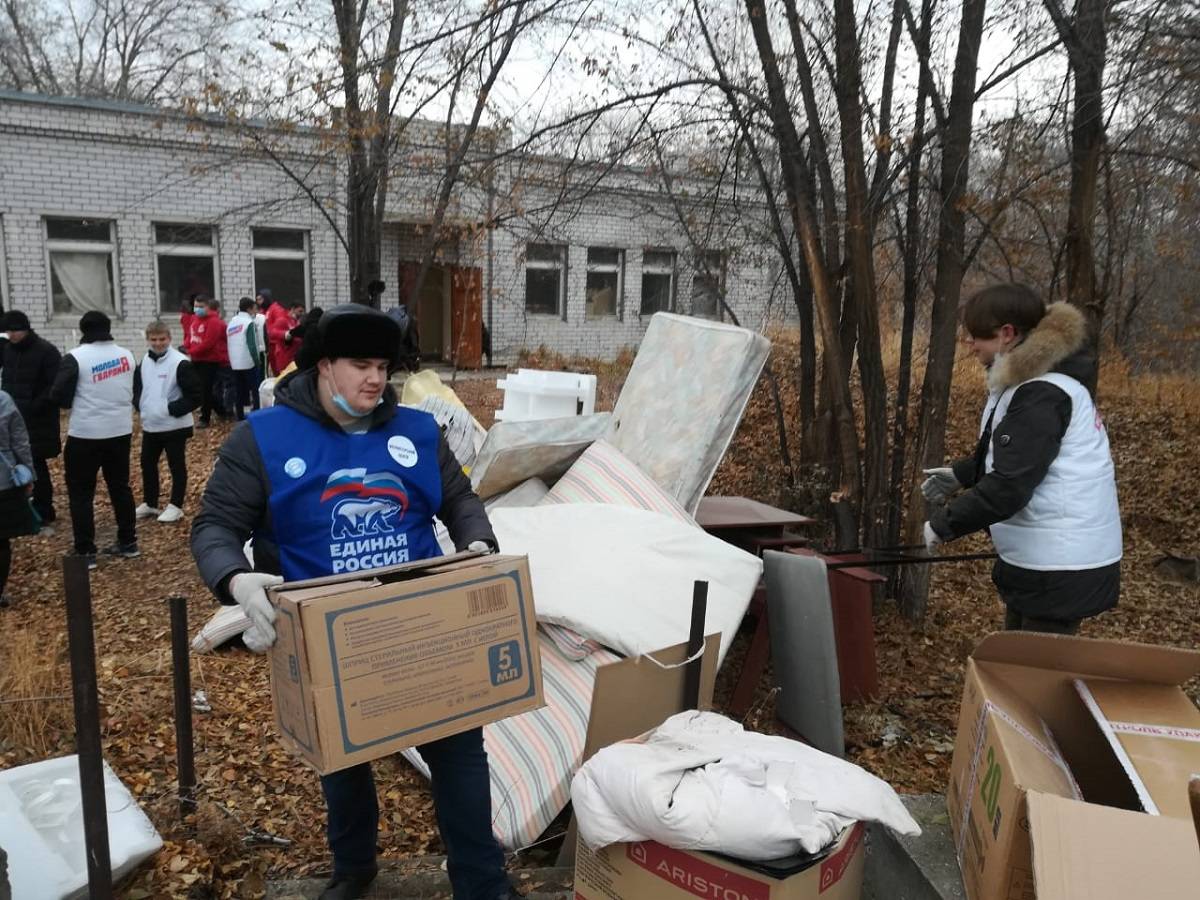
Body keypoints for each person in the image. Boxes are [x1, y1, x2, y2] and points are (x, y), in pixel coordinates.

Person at [190, 305, 517, 900]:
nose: (375, 379)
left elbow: (460, 499)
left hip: (421, 622)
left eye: (384, 366)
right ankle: (354, 869)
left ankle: (482, 882)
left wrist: (477, 541)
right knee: (342, 762)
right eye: (360, 365)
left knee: (460, 754)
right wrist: (237, 581)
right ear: (320, 366)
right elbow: (214, 525)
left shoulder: (417, 431)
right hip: (327, 636)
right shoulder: (262, 438)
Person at [921, 284, 1122, 634]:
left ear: (1007, 334)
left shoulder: (1042, 392)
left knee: (1036, 679)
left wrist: (944, 524)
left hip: (1060, 565)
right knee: (1017, 664)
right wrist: (963, 473)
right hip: (1047, 558)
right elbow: (1021, 456)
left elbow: (1012, 484)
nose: (970, 347)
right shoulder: (1030, 382)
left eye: (975, 338)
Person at [51, 311, 139, 566]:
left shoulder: (76, 357)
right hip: (120, 430)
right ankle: (128, 541)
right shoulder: (127, 355)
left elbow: (59, 395)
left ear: (83, 330)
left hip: (85, 433)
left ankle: (86, 550)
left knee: (81, 492)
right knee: (120, 487)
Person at [134, 320, 201, 524]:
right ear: (147, 340)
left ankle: (176, 505)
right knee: (147, 463)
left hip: (174, 425)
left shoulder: (180, 362)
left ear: (169, 339)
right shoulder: (144, 360)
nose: (158, 343)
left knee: (176, 465)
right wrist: (140, 405)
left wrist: (170, 409)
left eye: (162, 339)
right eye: (153, 339)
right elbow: (138, 388)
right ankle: (150, 502)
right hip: (151, 424)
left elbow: (196, 396)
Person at [0, 310, 63, 525]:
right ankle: (22, 506)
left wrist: (34, 406)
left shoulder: (46, 351)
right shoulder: (8, 350)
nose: (12, 335)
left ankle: (44, 510)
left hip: (38, 419)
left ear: (26, 329)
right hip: (11, 417)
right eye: (9, 331)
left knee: (36, 465)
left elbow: (54, 386)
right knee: (14, 462)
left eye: (16, 330)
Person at [0, 388, 36, 608]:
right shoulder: (3, 400)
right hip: (3, 480)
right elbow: (19, 440)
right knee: (1, 540)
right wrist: (28, 472)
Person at [184, 295, 229, 427]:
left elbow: (209, 343)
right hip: (196, 359)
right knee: (201, 388)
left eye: (201, 307)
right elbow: (190, 335)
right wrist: (186, 346)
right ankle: (221, 410)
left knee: (206, 389)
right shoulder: (194, 319)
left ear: (208, 307)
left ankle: (205, 418)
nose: (197, 309)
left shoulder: (214, 322)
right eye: (196, 306)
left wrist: (191, 351)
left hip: (209, 360)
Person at [225, 297, 260, 420]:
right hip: (248, 362)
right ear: (249, 308)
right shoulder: (249, 323)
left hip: (234, 362)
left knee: (239, 390)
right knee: (255, 390)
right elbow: (252, 345)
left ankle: (240, 416)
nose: (256, 311)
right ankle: (256, 413)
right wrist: (257, 361)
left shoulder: (232, 322)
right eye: (255, 308)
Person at [266, 299, 305, 376]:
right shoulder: (283, 320)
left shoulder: (295, 321)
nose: (302, 314)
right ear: (293, 309)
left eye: (302, 312)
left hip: (292, 357)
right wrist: (285, 334)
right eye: (300, 311)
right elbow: (272, 333)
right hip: (284, 358)